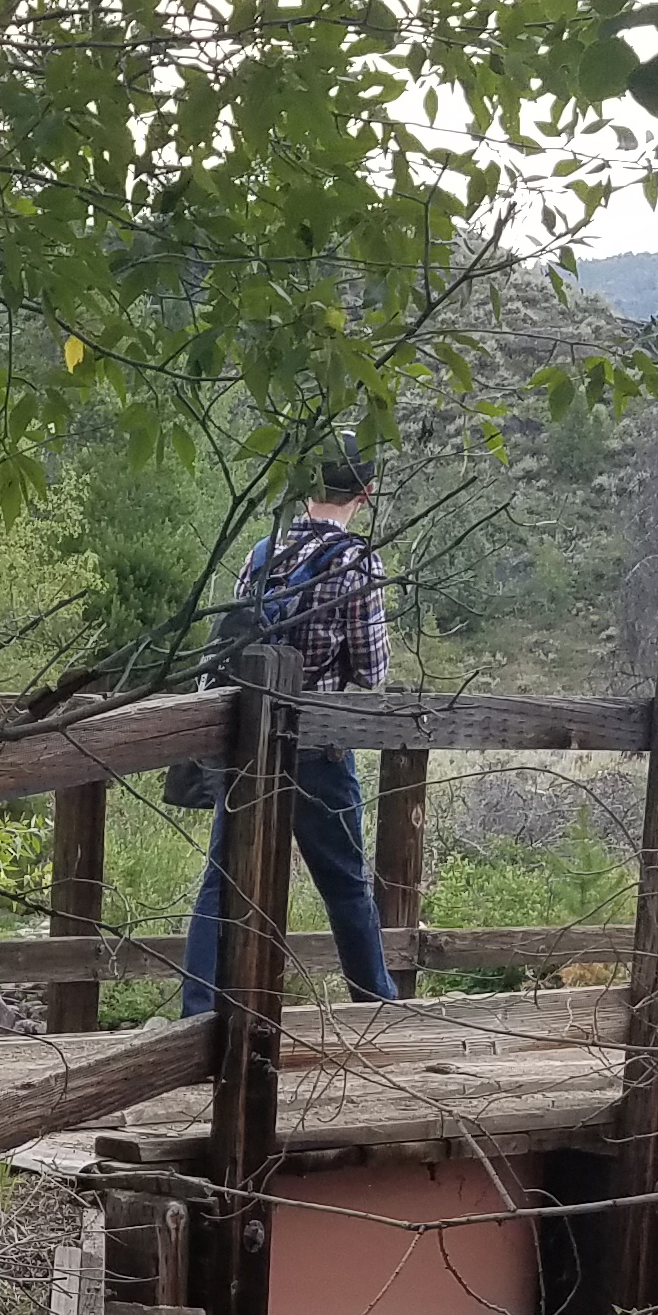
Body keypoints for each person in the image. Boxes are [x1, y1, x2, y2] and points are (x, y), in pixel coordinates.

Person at [183, 431, 401, 1015]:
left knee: (222, 883)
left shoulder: (260, 555)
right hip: (318, 746)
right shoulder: (357, 562)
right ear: (366, 491)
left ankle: (197, 1015)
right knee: (346, 884)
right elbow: (374, 671)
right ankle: (375, 1009)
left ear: (306, 484)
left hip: (249, 743)